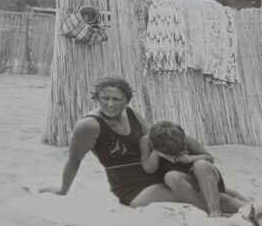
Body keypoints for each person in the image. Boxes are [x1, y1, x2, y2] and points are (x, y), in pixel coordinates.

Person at [40, 76, 178, 207]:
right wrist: (63, 190)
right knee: (187, 193)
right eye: (105, 98)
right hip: (130, 185)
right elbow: (74, 160)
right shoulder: (89, 126)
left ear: (126, 101)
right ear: (96, 98)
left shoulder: (130, 113)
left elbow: (154, 138)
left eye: (116, 99)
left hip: (154, 170)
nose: (110, 104)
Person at [141, 121, 248, 218]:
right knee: (171, 176)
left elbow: (209, 158)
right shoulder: (148, 142)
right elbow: (149, 169)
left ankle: (215, 211)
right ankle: (211, 208)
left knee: (200, 165)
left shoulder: (186, 140)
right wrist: (156, 152)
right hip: (186, 184)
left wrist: (190, 158)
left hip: (206, 177)